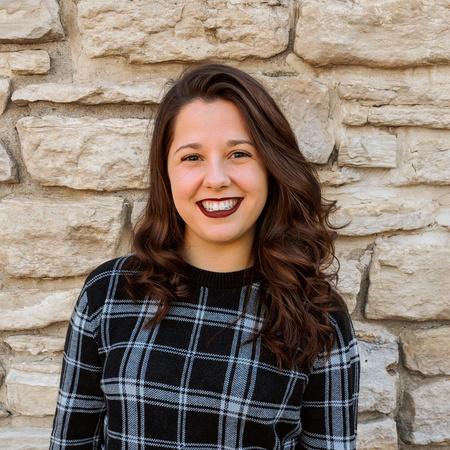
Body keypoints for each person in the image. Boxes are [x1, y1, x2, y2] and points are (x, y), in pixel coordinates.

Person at [49, 63, 360, 449]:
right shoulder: (109, 293)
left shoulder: (318, 314)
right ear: (166, 173)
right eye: (192, 158)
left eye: (239, 153)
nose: (215, 178)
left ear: (271, 167)